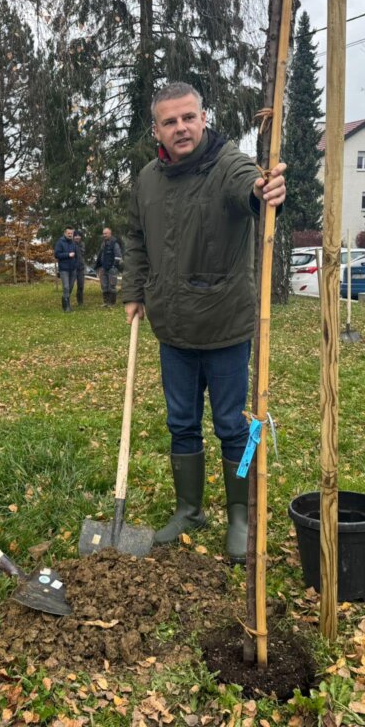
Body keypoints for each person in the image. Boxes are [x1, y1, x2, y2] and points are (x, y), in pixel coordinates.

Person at [121, 82, 287, 564]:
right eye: (170, 122)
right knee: (181, 424)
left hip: (225, 325)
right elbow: (135, 238)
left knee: (233, 426)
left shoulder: (228, 165)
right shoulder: (148, 179)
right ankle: (190, 509)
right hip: (172, 327)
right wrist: (134, 289)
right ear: (157, 129)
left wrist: (264, 188)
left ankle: (240, 515)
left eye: (188, 118)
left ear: (204, 117)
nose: (181, 128)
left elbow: (251, 187)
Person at [94, 227, 123, 306]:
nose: (104, 235)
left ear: (110, 233)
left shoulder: (115, 243)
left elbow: (118, 256)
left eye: (106, 233)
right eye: (103, 233)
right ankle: (105, 302)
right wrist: (98, 266)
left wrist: (114, 266)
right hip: (103, 267)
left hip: (112, 268)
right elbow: (100, 255)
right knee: (104, 285)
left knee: (112, 286)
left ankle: (112, 303)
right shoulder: (103, 243)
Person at [54, 227, 77, 312]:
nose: (70, 235)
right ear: (65, 233)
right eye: (69, 233)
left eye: (71, 233)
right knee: (66, 287)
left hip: (73, 269)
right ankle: (66, 306)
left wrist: (76, 265)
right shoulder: (60, 242)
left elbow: (76, 255)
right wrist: (68, 255)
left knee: (70, 287)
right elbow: (56, 255)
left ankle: (65, 298)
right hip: (64, 269)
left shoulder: (73, 243)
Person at [72, 230, 86, 307]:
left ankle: (80, 302)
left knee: (81, 286)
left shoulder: (82, 244)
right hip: (72, 268)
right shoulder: (70, 244)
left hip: (81, 268)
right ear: (73, 237)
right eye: (76, 236)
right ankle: (67, 301)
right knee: (70, 286)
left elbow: (82, 253)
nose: (77, 237)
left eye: (78, 235)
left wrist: (76, 245)